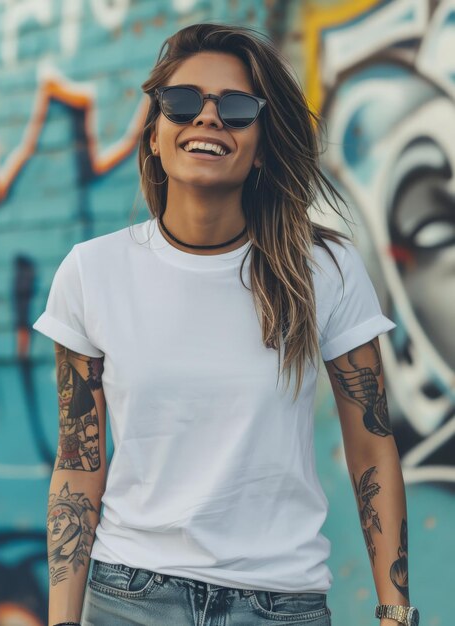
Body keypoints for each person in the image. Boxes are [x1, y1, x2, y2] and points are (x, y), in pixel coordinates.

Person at [32, 22, 420, 626]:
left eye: (237, 108)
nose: (208, 119)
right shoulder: (91, 272)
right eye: (183, 102)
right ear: (155, 134)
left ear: (262, 145)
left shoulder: (324, 268)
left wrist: (395, 611)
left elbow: (371, 447)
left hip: (280, 603)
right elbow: (79, 466)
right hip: (130, 599)